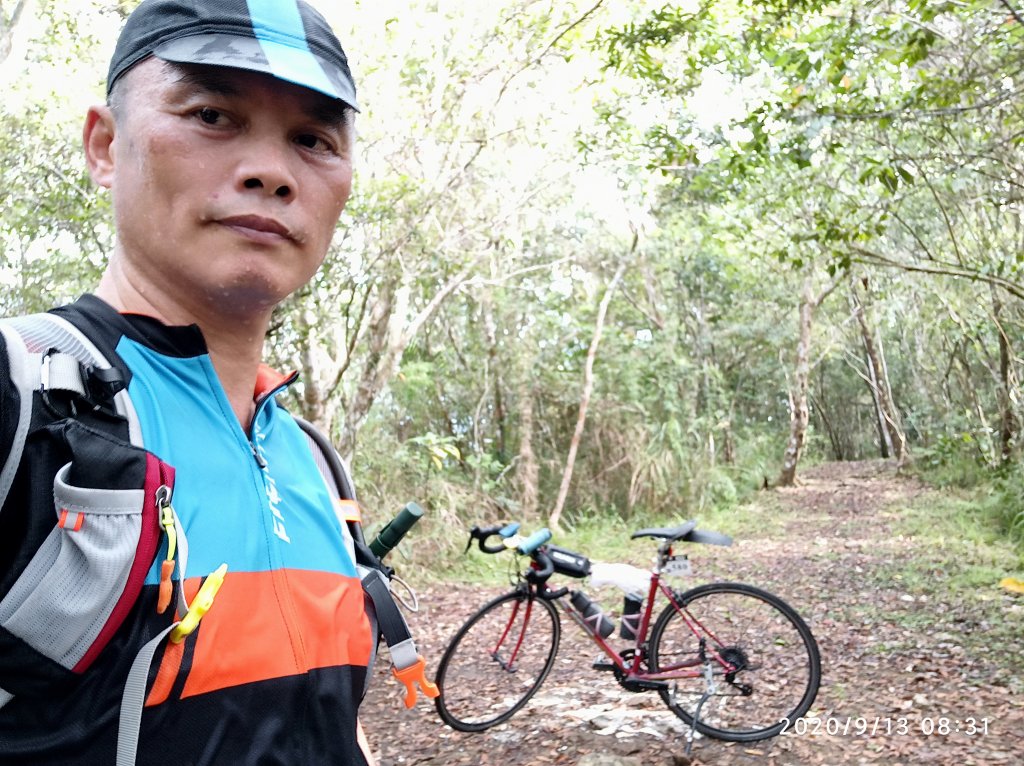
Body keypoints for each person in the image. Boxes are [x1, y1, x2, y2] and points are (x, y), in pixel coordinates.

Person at [0, 1, 379, 763]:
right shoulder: (21, 400)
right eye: (212, 115)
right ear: (105, 145)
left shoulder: (310, 460)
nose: (271, 172)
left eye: (312, 139)